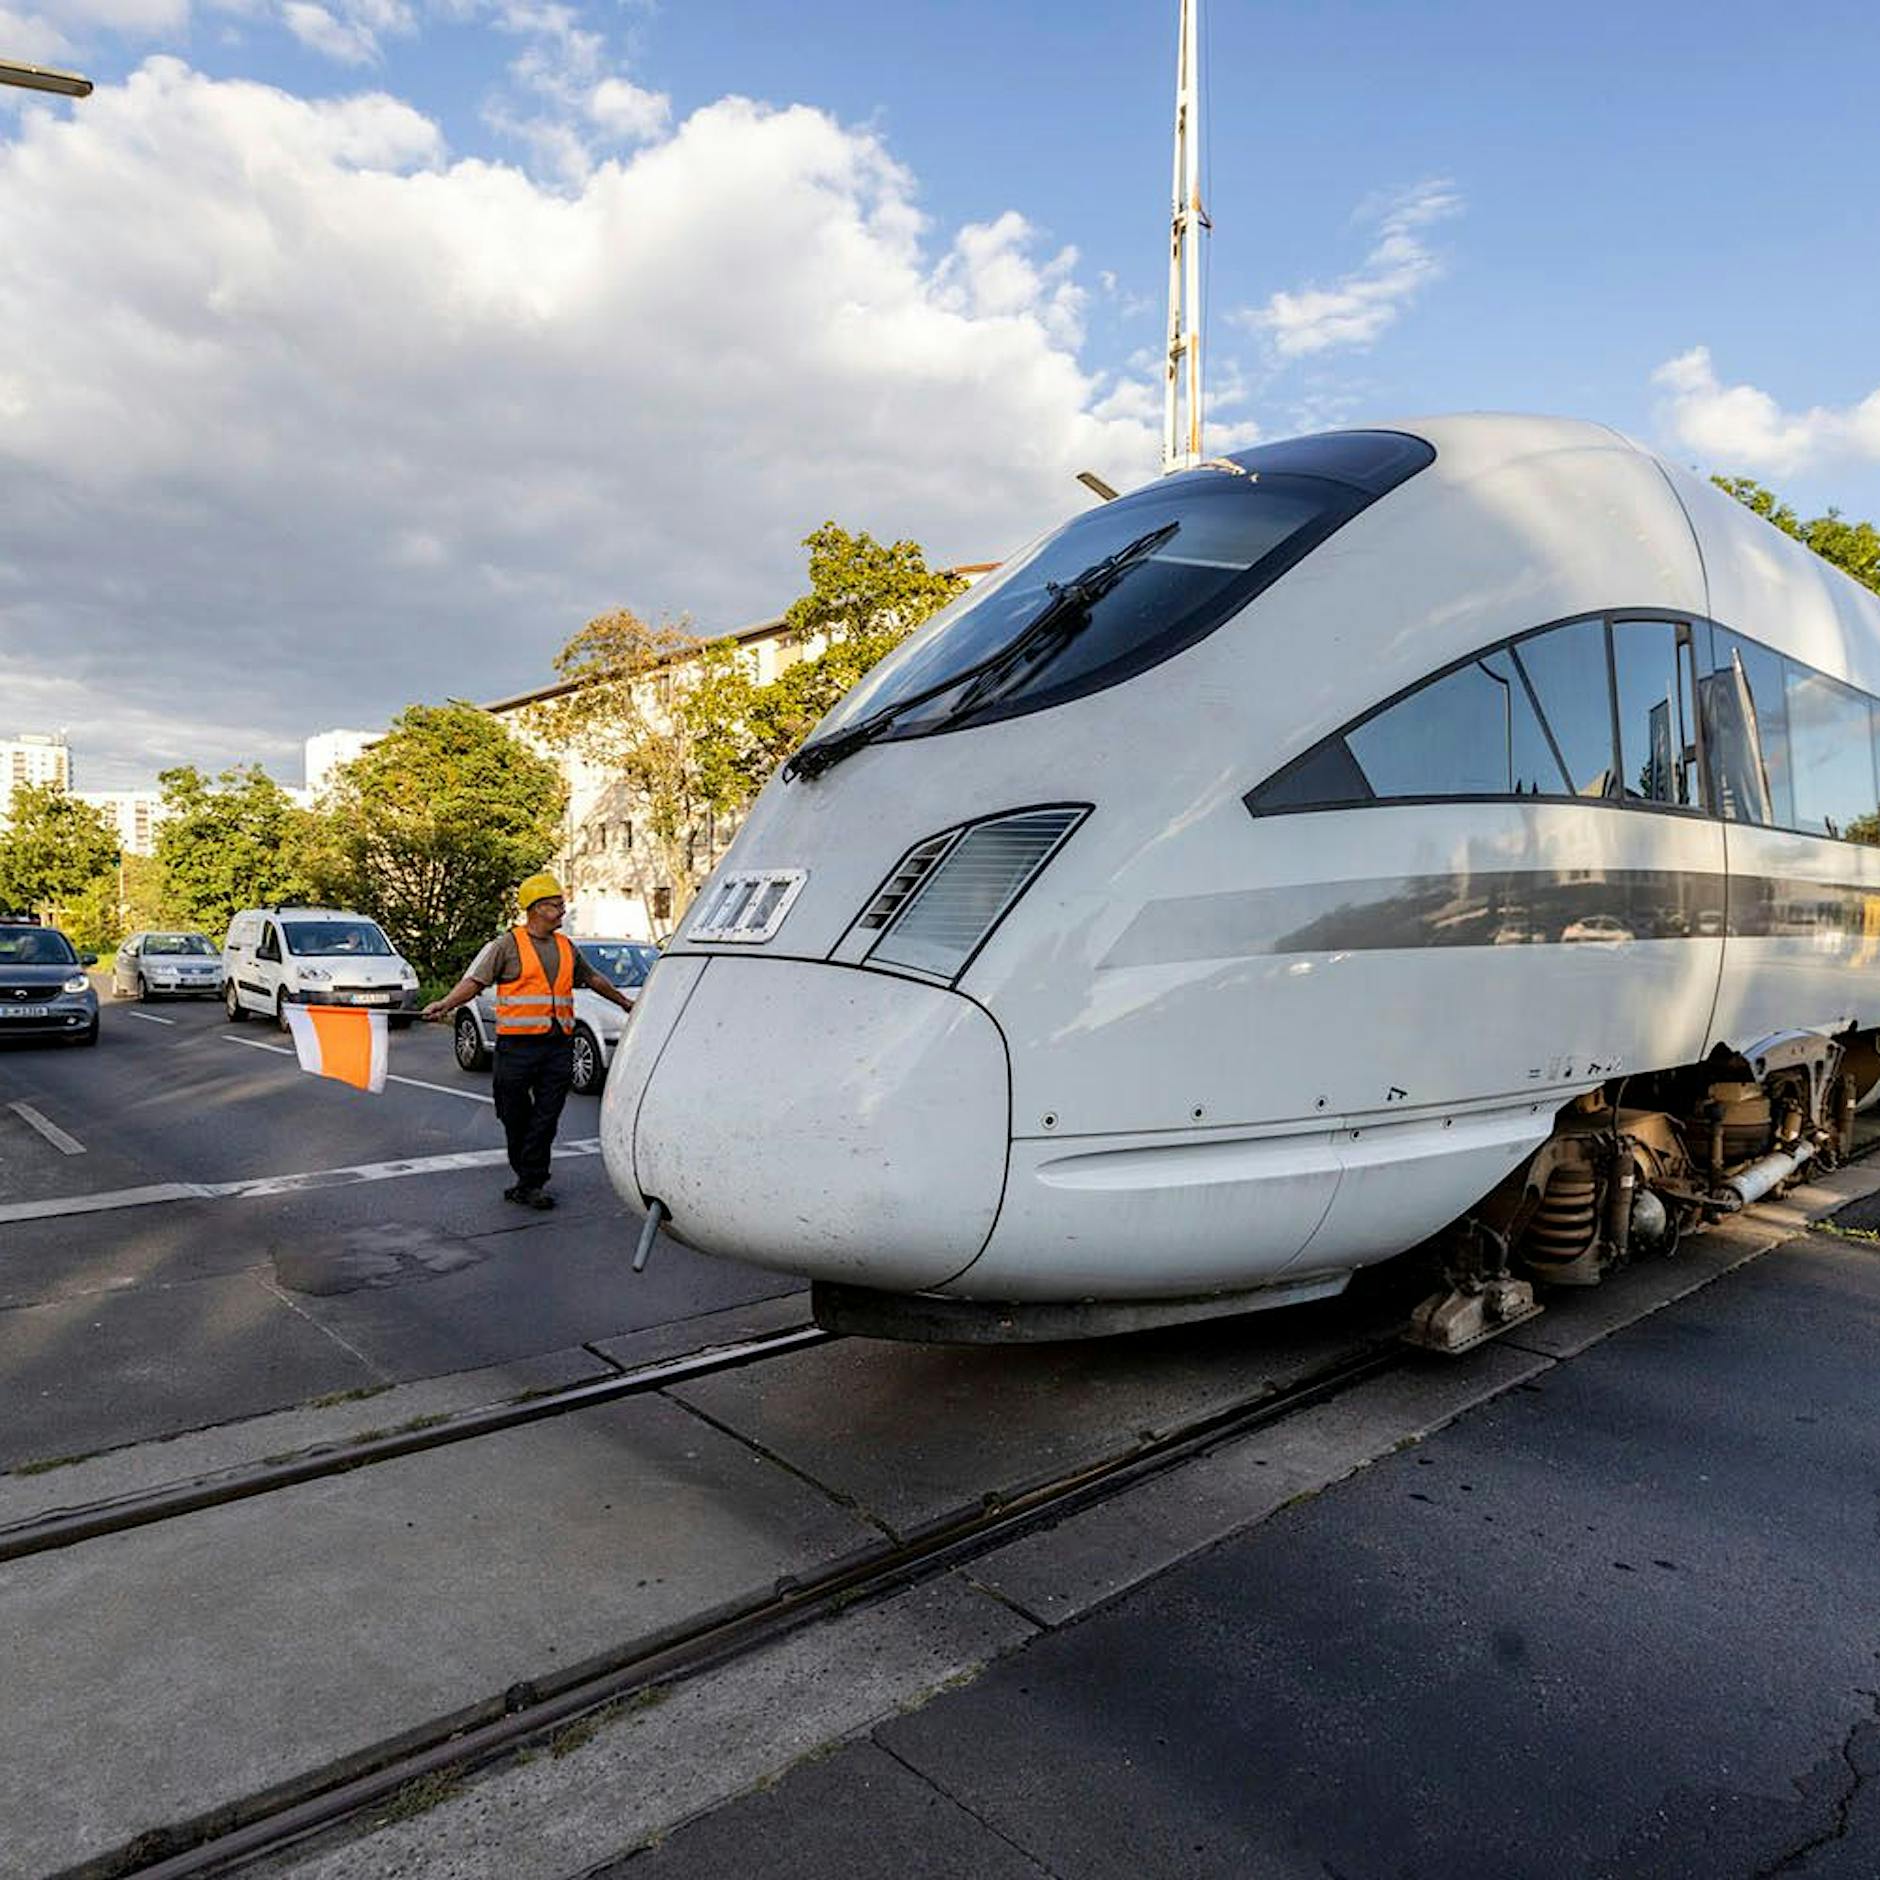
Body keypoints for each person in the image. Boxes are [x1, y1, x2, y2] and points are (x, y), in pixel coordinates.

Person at [423, 873, 635, 1209]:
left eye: (562, 904)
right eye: (556, 905)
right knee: (514, 1114)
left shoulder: (566, 947)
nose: (562, 911)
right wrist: (446, 1003)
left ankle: (532, 1181)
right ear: (536, 908)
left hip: (557, 1046)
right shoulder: (506, 946)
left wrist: (624, 1002)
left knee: (546, 1118)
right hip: (517, 1048)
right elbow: (475, 982)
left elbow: (592, 978)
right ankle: (526, 1174)